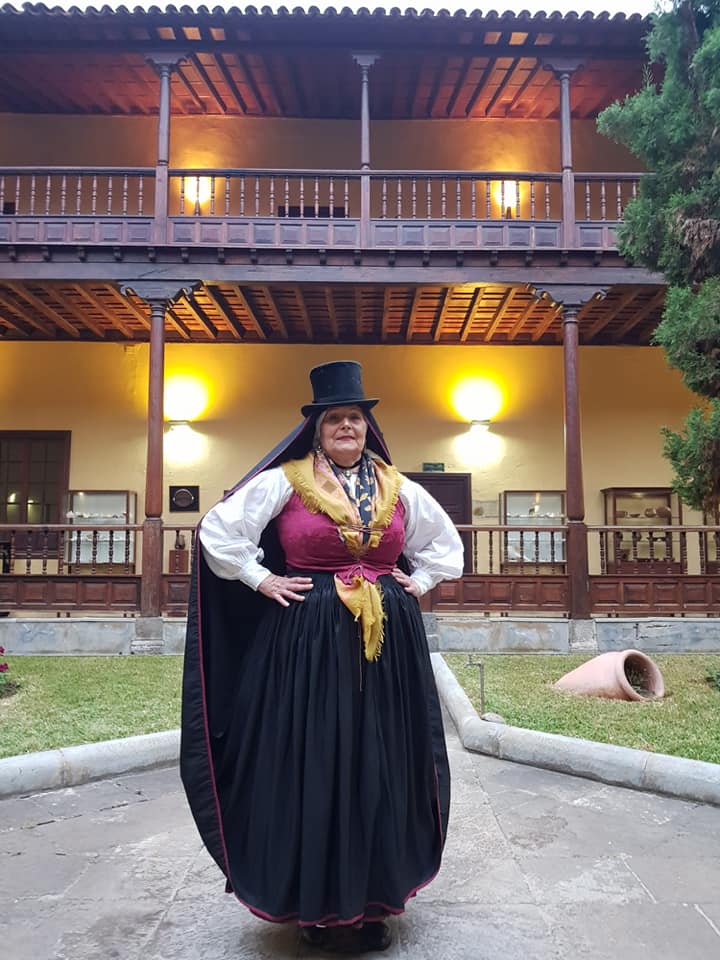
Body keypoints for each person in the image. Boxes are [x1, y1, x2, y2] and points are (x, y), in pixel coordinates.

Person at [181, 360, 463, 953]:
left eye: (354, 418)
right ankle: (316, 904)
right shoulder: (284, 482)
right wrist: (261, 579)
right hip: (306, 646)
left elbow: (444, 545)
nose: (346, 427)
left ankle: (372, 900)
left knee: (381, 758)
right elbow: (217, 532)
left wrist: (418, 582)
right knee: (316, 755)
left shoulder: (399, 487)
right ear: (317, 428)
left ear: (367, 427)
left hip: (388, 647)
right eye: (335, 419)